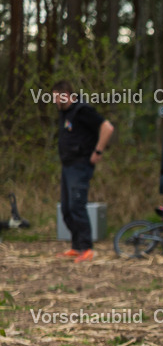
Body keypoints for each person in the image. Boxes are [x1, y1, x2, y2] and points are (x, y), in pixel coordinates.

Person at [53, 80, 114, 263]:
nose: (55, 101)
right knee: (66, 208)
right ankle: (76, 246)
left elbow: (107, 127)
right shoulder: (65, 113)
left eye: (58, 97)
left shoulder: (83, 110)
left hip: (80, 165)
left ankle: (87, 248)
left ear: (67, 94)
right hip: (67, 165)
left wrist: (98, 151)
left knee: (76, 206)